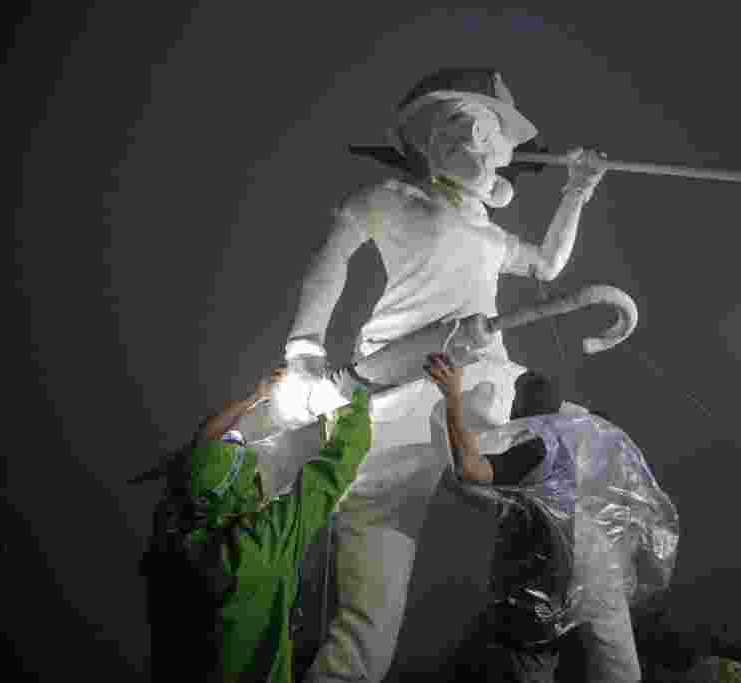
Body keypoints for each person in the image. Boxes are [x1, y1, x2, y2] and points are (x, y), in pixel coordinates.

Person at [286, 68, 607, 683]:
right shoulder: (386, 200)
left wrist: (577, 193)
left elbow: (544, 265)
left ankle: (593, 627)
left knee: (576, 457)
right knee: (367, 624)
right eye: (468, 127)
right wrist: (303, 345)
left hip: (485, 377)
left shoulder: (488, 231)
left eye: (490, 133)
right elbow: (329, 263)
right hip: (393, 392)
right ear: (432, 138)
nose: (482, 143)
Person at [426, 352, 667, 683]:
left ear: (521, 412)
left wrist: (452, 397)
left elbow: (469, 470)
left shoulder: (535, 448)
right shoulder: (588, 435)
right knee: (618, 668)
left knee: (532, 662)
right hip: (598, 567)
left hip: (545, 579)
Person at [141, 368, 373, 682]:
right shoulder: (256, 547)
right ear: (243, 491)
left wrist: (256, 397)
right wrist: (354, 401)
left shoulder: (172, 538)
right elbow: (331, 474)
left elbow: (202, 448)